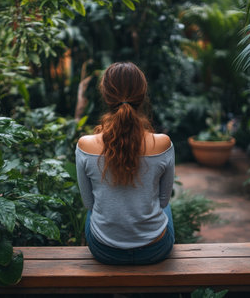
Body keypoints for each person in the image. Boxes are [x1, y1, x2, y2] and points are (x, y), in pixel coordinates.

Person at [75, 62, 175, 265]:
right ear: (142, 94)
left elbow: (89, 204)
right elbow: (163, 201)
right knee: (165, 207)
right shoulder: (163, 143)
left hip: (105, 251)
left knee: (92, 213)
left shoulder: (85, 145)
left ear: (105, 95)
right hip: (155, 250)